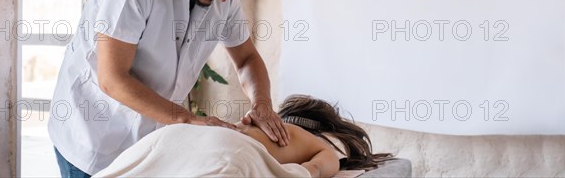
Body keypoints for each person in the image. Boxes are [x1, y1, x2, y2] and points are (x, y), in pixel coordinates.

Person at [48, 0, 289, 177]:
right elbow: (112, 79)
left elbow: (246, 59)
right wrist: (188, 119)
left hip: (152, 140)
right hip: (94, 131)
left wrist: (262, 103)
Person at [94, 95, 396, 178]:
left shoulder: (257, 122)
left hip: (174, 137)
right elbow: (316, 169)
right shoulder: (319, 144)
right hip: (227, 151)